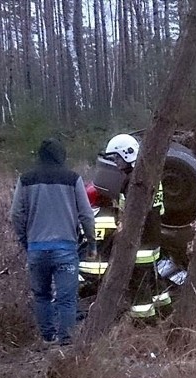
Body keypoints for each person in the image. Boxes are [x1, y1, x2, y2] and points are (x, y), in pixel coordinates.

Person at [10, 138, 97, 346]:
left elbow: (15, 214)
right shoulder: (73, 178)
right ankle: (66, 342)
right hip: (66, 249)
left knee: (42, 295)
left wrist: (25, 239)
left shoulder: (26, 179)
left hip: (36, 249)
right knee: (67, 299)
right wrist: (92, 243)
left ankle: (47, 338)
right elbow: (86, 214)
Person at [100, 134, 170, 321]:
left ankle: (145, 322)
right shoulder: (153, 175)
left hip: (140, 242)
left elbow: (127, 215)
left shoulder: (131, 181)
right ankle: (166, 312)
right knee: (155, 279)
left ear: (127, 154)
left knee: (139, 286)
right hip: (154, 237)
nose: (116, 163)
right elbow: (160, 208)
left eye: (117, 158)